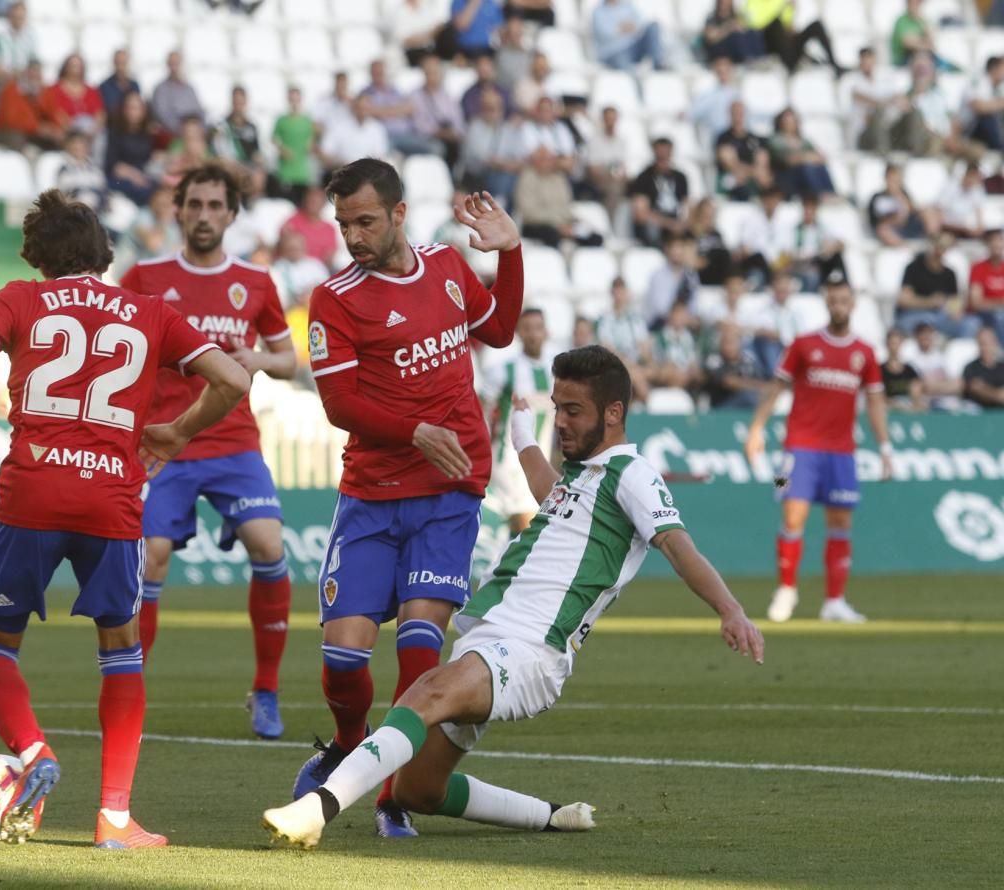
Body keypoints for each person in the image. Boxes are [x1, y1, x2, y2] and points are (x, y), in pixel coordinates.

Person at [262, 345, 764, 850]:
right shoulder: (582, 477)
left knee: (427, 692)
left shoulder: (631, 474)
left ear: (614, 413)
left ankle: (316, 808)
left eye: (573, 411)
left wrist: (731, 610)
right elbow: (550, 495)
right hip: (491, 639)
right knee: (419, 789)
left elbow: (676, 543)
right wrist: (523, 434)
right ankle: (550, 816)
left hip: (529, 651)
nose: (561, 422)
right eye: (556, 407)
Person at [0, 189, 250, 848]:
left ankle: (35, 752)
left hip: (34, 493)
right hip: (111, 499)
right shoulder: (149, 312)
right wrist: (176, 432)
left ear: (37, 259)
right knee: (122, 650)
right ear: (104, 255)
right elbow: (234, 381)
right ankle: (113, 818)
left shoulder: (21, 299)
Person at [297, 159, 525, 838]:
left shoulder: (448, 268)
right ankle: (347, 744)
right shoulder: (334, 297)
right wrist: (415, 430)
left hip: (450, 490)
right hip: (372, 494)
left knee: (422, 643)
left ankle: (392, 794)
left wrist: (511, 252)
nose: (354, 236)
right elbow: (339, 404)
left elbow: (502, 330)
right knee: (343, 660)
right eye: (344, 224)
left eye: (365, 220)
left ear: (399, 213)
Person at [119, 164, 298, 739]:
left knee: (269, 545)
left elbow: (289, 359)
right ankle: (131, 691)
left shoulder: (257, 282)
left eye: (214, 205)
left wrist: (260, 361)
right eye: (193, 204)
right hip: (162, 444)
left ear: (231, 214)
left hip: (232, 442)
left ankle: (265, 690)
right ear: (178, 210)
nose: (202, 215)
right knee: (151, 558)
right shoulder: (144, 276)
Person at [745, 276, 892, 625]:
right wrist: (756, 428)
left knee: (841, 520)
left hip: (843, 452)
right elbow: (776, 387)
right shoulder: (803, 344)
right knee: (791, 513)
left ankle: (834, 601)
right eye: (834, 300)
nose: (839, 305)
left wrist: (885, 447)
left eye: (845, 300)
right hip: (797, 448)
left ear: (853, 304)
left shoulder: (865, 353)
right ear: (827, 303)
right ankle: (786, 587)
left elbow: (875, 402)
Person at [479, 308, 555, 535]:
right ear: (519, 333)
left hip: (542, 460)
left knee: (525, 531)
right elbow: (481, 408)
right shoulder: (504, 370)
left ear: (546, 332)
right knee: (528, 526)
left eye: (538, 328)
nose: (533, 334)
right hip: (510, 462)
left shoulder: (556, 371)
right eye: (527, 329)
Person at [745, 0, 843, 75]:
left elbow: (787, 24)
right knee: (775, 25)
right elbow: (756, 23)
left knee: (816, 26)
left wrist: (790, 9)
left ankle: (834, 66)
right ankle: (802, 60)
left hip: (786, 44)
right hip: (766, 44)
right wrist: (781, 5)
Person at [897, 234, 968, 337]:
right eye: (938, 246)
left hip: (941, 316)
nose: (940, 251)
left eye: (944, 247)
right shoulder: (914, 268)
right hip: (915, 315)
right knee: (925, 321)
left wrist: (954, 310)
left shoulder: (949, 273)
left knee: (968, 324)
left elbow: (955, 302)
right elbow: (904, 300)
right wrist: (930, 302)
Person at [629, 137, 689, 248]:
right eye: (660, 155)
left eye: (666, 154)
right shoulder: (644, 178)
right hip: (656, 225)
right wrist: (669, 224)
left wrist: (682, 224)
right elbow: (641, 215)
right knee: (652, 229)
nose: (663, 157)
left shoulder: (681, 178)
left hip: (675, 224)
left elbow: (687, 207)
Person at [0, 60, 60, 152]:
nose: (34, 76)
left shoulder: (45, 92)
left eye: (37, 73)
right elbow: (10, 120)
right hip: (5, 131)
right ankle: (19, 164)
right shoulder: (11, 90)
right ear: (25, 74)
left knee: (58, 140)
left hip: (33, 132)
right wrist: (37, 127)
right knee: (17, 138)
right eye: (31, 73)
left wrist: (53, 129)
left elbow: (52, 114)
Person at [846, 47, 904, 155]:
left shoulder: (883, 79)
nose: (867, 65)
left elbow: (897, 97)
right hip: (862, 134)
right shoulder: (852, 80)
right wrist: (884, 102)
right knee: (878, 113)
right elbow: (858, 95)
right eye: (864, 61)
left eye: (870, 61)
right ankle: (883, 149)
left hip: (883, 129)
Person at [105, 91, 159, 206]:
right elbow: (113, 165)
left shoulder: (145, 134)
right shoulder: (115, 133)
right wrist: (136, 176)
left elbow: (148, 159)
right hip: (120, 178)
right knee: (145, 191)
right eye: (129, 107)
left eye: (137, 108)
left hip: (142, 175)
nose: (132, 112)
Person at [768, 109, 835, 199]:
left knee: (820, 167)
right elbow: (788, 160)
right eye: (787, 121)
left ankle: (830, 193)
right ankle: (819, 195)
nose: (790, 124)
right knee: (807, 168)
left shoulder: (803, 140)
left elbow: (821, 157)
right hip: (787, 175)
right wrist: (806, 158)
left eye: (792, 121)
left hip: (803, 173)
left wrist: (804, 158)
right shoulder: (776, 140)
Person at [38, 54, 105, 144]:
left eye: (78, 66)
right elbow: (55, 112)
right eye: (72, 65)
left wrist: (93, 129)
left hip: (90, 130)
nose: (75, 69)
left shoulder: (91, 91)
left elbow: (99, 113)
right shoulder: (53, 90)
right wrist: (72, 129)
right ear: (65, 67)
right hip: (67, 130)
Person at [715, 99, 772, 202]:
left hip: (751, 176)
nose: (738, 116)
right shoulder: (723, 138)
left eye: (740, 112)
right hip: (733, 177)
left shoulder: (754, 139)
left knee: (764, 172)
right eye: (735, 112)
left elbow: (762, 161)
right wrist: (753, 171)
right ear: (730, 114)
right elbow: (729, 163)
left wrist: (749, 172)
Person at [318, 93, 391, 173]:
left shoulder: (377, 129)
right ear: (354, 107)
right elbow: (325, 153)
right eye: (360, 108)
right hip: (342, 172)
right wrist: (341, 163)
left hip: (368, 174)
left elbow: (380, 157)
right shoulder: (338, 126)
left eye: (366, 108)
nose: (363, 111)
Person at [703, 322, 766, 409]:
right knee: (749, 397)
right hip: (722, 406)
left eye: (732, 343)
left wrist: (764, 387)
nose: (729, 347)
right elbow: (729, 382)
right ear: (720, 344)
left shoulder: (749, 360)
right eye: (726, 343)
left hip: (748, 403)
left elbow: (761, 380)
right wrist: (756, 386)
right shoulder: (713, 360)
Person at [868, 163, 931, 246]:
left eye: (897, 179)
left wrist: (899, 196)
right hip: (891, 230)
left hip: (908, 227)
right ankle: (905, 248)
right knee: (883, 230)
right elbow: (878, 222)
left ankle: (932, 241)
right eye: (892, 179)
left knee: (930, 214)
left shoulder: (904, 194)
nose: (895, 183)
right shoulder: (878, 198)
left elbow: (912, 211)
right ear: (886, 178)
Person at [591, 0, 664, 71]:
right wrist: (626, 28)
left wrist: (623, 28)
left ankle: (657, 63)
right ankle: (636, 77)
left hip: (633, 47)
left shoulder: (628, 5)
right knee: (624, 64)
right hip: (614, 52)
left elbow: (640, 25)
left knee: (653, 26)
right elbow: (605, 33)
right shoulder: (598, 11)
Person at [272, 86, 316, 205]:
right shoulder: (281, 120)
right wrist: (282, 148)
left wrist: (310, 146)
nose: (294, 102)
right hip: (286, 171)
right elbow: (274, 138)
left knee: (301, 204)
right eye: (291, 99)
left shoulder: (307, 121)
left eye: (296, 99)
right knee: (286, 205)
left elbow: (312, 140)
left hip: (302, 171)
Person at [150, 51, 205, 138]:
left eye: (177, 63)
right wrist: (183, 131)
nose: (174, 67)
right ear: (167, 65)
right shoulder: (160, 89)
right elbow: (162, 116)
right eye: (172, 63)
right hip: (173, 134)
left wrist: (199, 128)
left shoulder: (189, 88)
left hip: (193, 133)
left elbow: (199, 111)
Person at [282, 186, 340, 268]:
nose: (312, 204)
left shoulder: (329, 228)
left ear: (323, 204)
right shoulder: (292, 222)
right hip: (295, 267)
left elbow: (329, 256)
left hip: (320, 270)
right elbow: (285, 250)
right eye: (310, 201)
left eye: (315, 202)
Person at [56, 129, 109, 214]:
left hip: (98, 211)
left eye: (81, 143)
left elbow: (103, 191)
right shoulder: (65, 169)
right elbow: (66, 196)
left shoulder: (95, 168)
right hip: (78, 214)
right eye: (75, 143)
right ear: (68, 146)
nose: (79, 147)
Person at [0, 1, 35, 88]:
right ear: (9, 16)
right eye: (15, 17)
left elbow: (34, 62)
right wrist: (9, 74)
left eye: (21, 17)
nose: (18, 20)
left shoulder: (30, 38)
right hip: (4, 80)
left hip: (24, 80)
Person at [969, 229, 1004, 344]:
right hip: (985, 316)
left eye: (1000, 241)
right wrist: (999, 303)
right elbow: (976, 303)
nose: (997, 245)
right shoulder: (978, 268)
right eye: (993, 242)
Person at [962, 57, 1004, 151]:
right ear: (994, 68)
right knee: (987, 118)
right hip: (970, 130)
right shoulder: (978, 82)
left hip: (986, 131)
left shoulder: (996, 88)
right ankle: (1000, 148)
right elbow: (977, 107)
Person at [880, 327, 926, 412]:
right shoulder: (879, 371)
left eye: (897, 343)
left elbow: (916, 395)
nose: (894, 347)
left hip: (907, 411)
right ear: (886, 345)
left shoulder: (910, 370)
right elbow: (878, 396)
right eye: (892, 343)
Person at [963, 326, 1004, 409]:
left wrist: (985, 389)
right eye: (982, 343)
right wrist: (997, 393)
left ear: (995, 343)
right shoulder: (971, 368)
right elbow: (975, 389)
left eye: (989, 342)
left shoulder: (1002, 368)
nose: (986, 347)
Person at [99, 49, 141, 118]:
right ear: (113, 63)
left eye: (123, 63)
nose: (121, 67)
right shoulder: (104, 86)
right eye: (118, 63)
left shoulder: (135, 85)